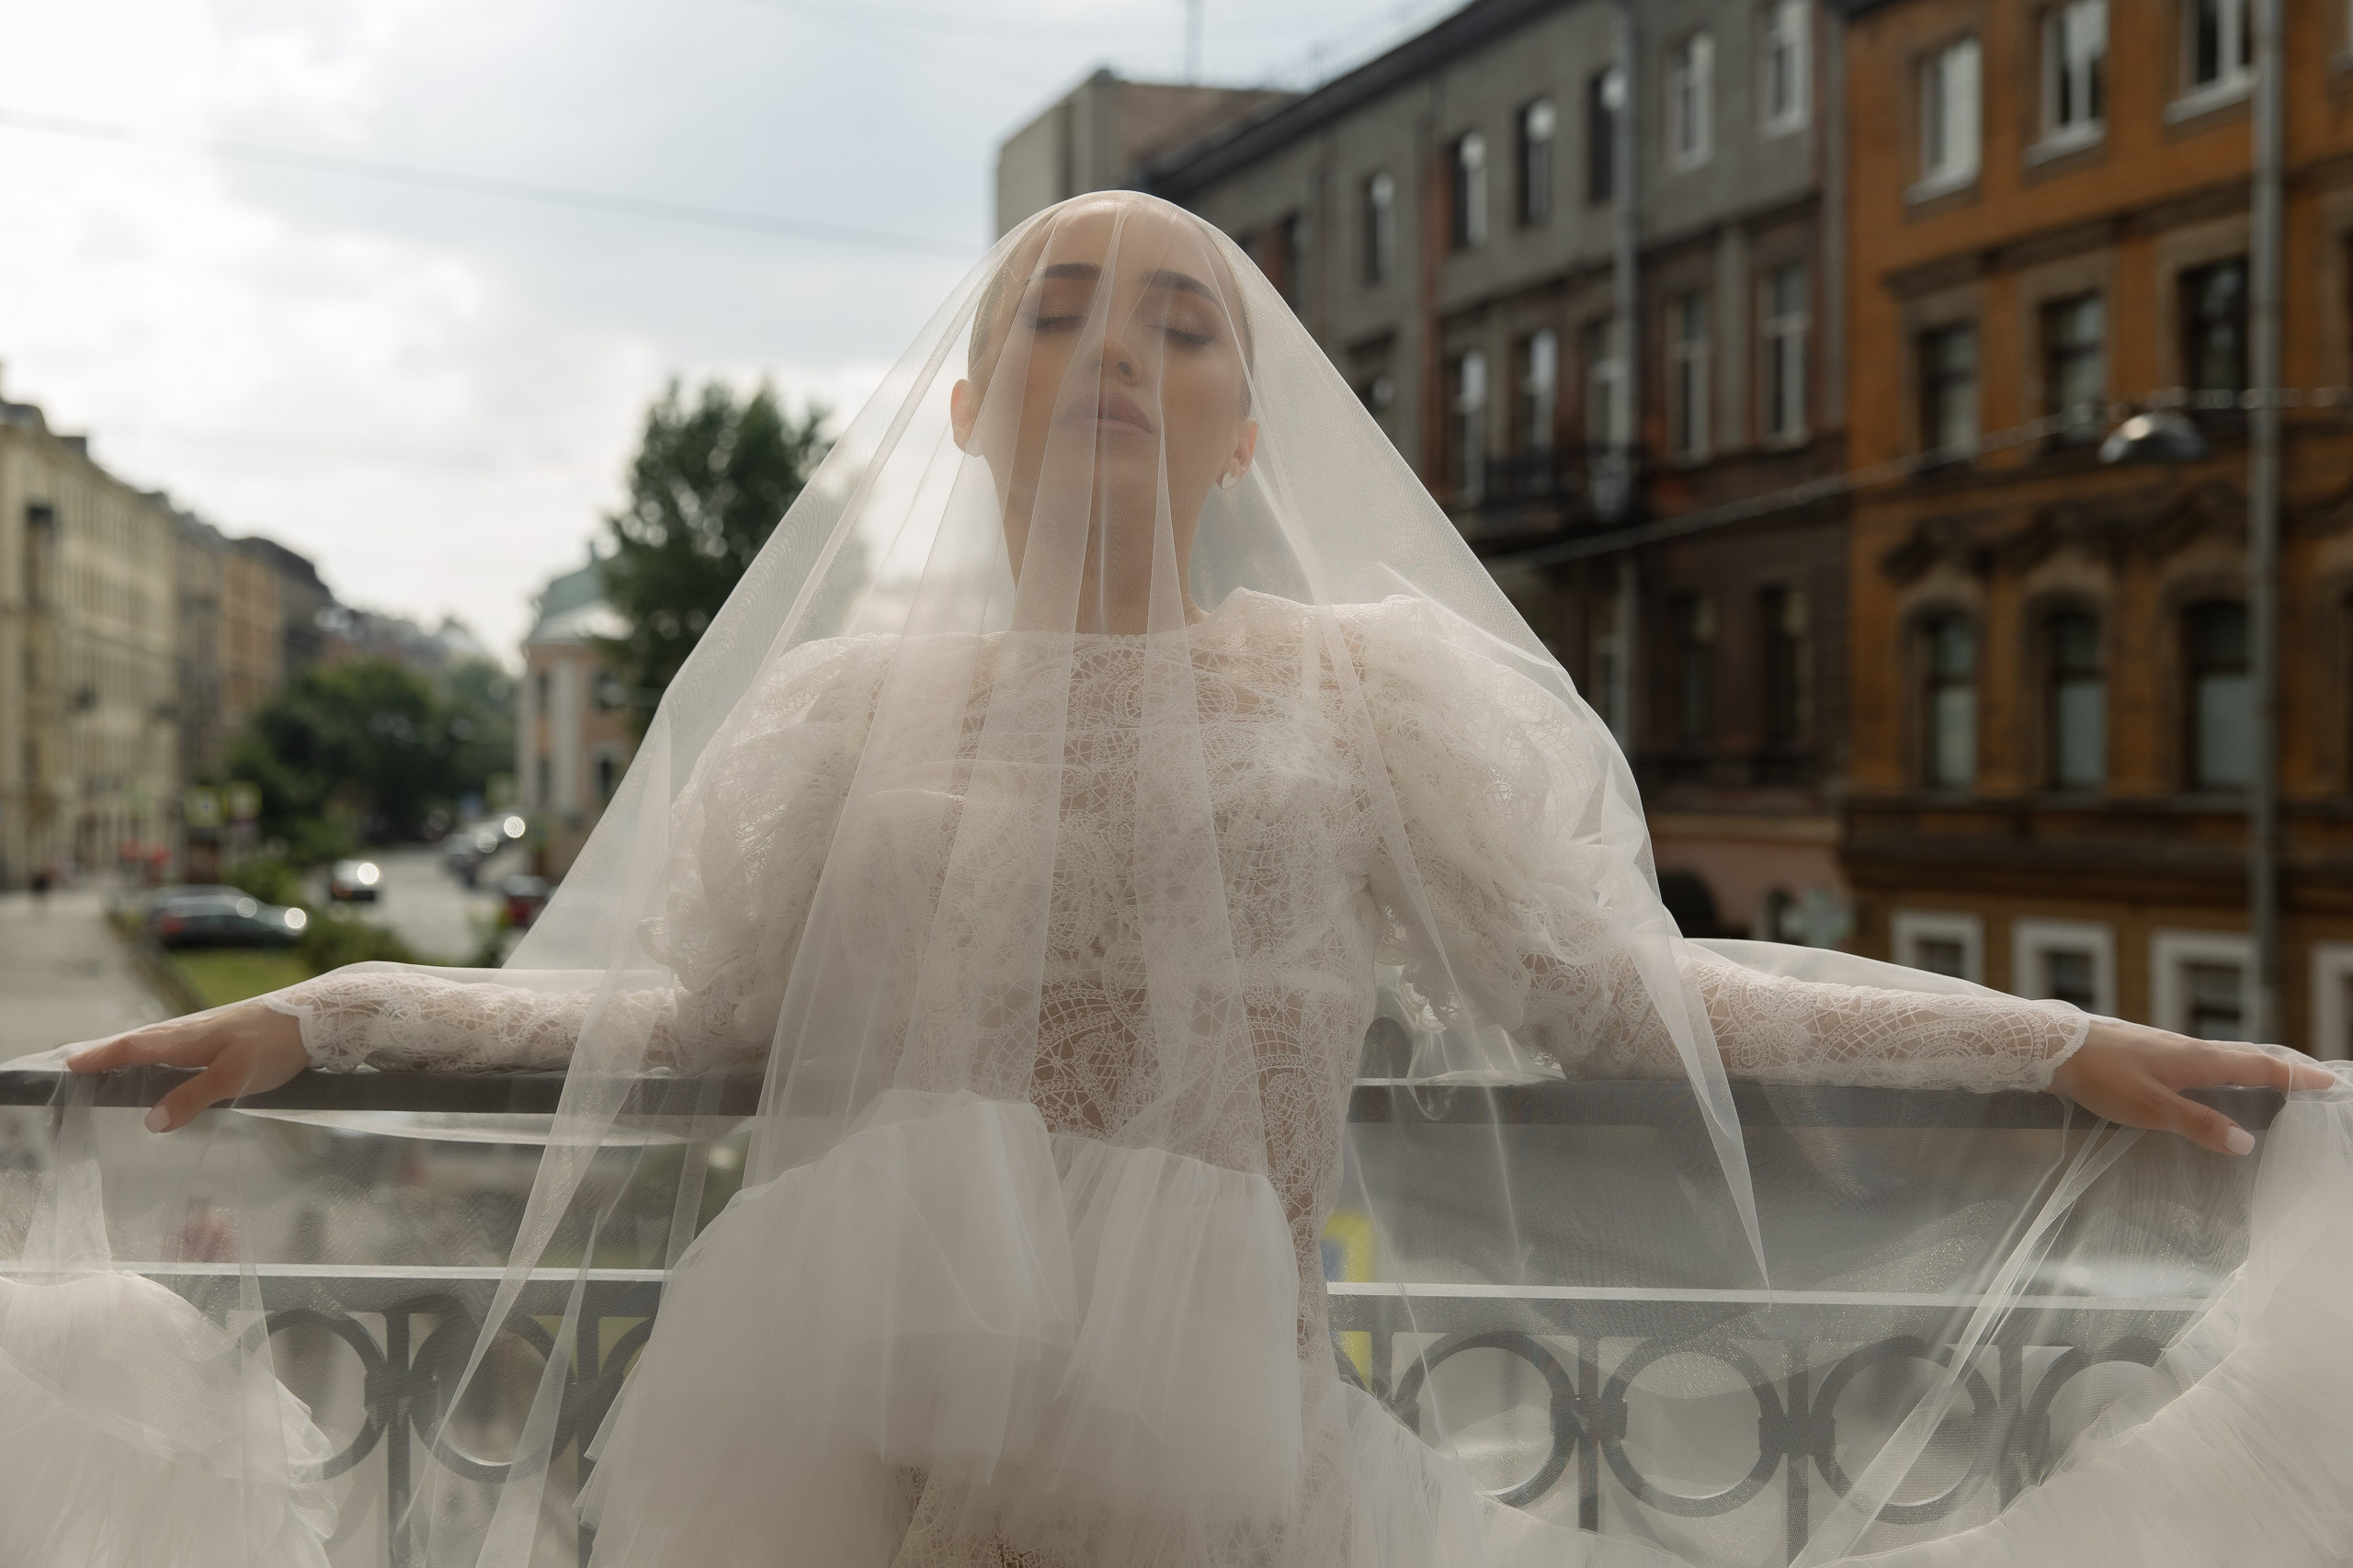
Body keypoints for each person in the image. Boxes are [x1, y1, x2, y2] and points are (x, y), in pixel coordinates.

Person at [36, 194, 2353, 1567]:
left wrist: (2048, 1037)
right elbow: (686, 1023)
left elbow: (1603, 989)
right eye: (1056, 313)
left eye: (1182, 328)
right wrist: (327, 1018)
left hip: (1212, 1429)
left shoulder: (1365, 694)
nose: (1117, 353)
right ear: (965, 406)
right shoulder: (851, 703)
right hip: (837, 1409)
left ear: (1249, 421)